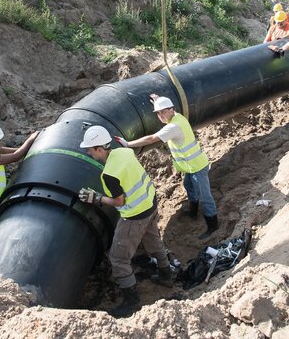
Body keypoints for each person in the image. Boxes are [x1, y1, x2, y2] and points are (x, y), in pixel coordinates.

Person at [78, 125, 173, 317]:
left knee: (119, 258)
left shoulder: (109, 174)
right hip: (150, 204)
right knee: (153, 242)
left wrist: (95, 198)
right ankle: (167, 276)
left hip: (134, 216)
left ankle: (132, 301)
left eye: (90, 149)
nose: (88, 152)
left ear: (99, 149)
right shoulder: (124, 152)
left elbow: (118, 201)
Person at [113, 95, 219, 240]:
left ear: (171, 110)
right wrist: (158, 100)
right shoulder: (177, 116)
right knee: (189, 186)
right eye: (158, 113)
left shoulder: (173, 127)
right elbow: (165, 108)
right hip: (189, 167)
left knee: (205, 197)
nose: (161, 115)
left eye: (163, 112)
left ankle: (213, 226)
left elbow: (151, 139)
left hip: (197, 167)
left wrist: (128, 144)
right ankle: (193, 213)